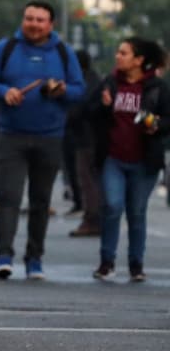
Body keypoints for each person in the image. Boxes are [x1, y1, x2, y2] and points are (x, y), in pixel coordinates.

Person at [0, 1, 84, 280]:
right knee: (9, 198)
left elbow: (79, 89)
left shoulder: (63, 52)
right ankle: (4, 255)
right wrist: (4, 91)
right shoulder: (6, 47)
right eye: (29, 18)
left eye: (40, 20)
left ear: (51, 24)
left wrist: (61, 90)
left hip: (50, 137)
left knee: (40, 201)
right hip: (11, 135)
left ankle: (35, 258)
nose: (33, 24)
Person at [89, 38, 170, 282]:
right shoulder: (110, 82)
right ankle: (107, 262)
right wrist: (103, 106)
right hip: (113, 157)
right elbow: (88, 113)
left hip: (144, 161)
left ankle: (136, 264)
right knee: (112, 207)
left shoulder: (157, 87)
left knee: (136, 212)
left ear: (139, 60)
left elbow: (168, 119)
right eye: (117, 51)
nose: (118, 56)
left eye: (124, 53)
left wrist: (156, 125)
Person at [66, 50, 103, 236]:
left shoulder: (86, 81)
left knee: (87, 180)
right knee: (90, 179)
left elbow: (80, 107)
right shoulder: (93, 79)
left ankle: (92, 219)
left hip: (87, 137)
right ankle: (94, 218)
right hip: (89, 136)